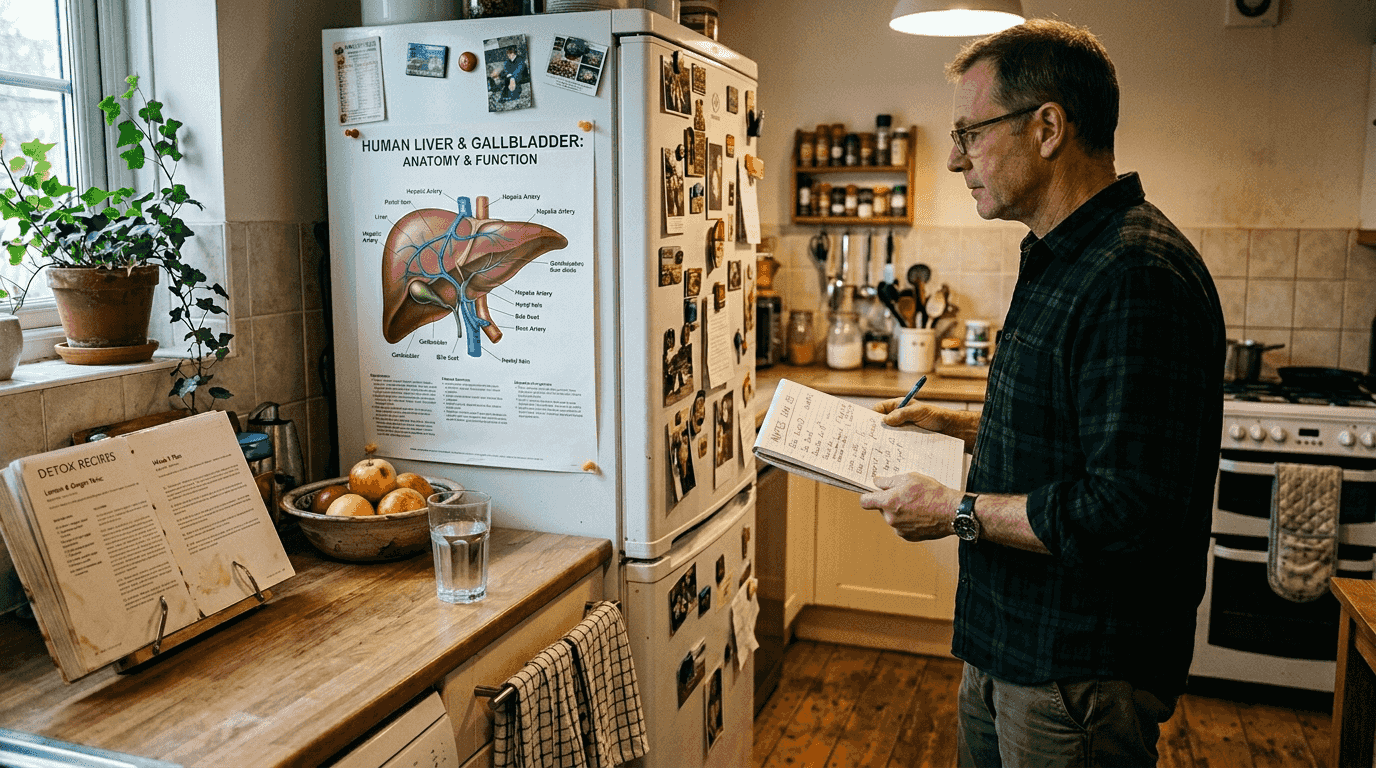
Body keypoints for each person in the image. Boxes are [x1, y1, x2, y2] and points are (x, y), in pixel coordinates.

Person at [857, 19, 1224, 767]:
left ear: (1049, 127)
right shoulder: (1061, 255)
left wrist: (954, 511)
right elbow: (1069, 423)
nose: (957, 158)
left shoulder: (1135, 274)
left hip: (1076, 672)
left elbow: (1124, 510)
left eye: (970, 132)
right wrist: (954, 421)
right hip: (1006, 642)